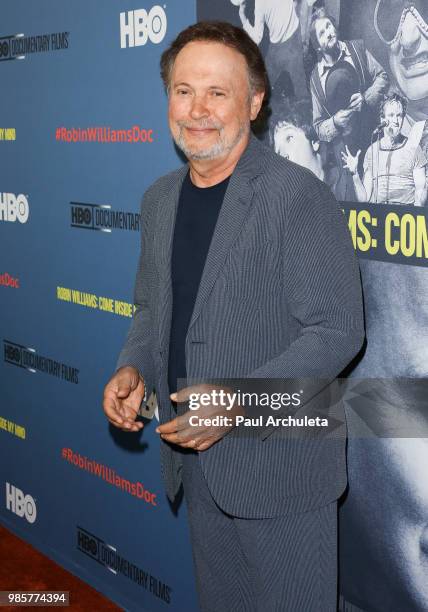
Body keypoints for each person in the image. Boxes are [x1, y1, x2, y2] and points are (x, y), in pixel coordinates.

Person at [102, 21, 364, 612]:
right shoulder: (159, 200)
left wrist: (237, 403)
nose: (197, 110)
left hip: (283, 470)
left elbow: (337, 330)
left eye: (218, 93)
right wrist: (133, 369)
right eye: (183, 90)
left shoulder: (296, 196)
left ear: (254, 101)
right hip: (198, 466)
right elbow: (153, 310)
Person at [309, 7, 388, 199]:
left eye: (329, 26)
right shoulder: (315, 79)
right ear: (318, 46)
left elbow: (383, 77)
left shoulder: (357, 49)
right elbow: (318, 127)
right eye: (322, 33)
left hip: (373, 138)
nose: (328, 33)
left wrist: (366, 98)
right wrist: (335, 122)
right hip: (346, 154)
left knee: (379, 195)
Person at [342, 93, 427, 205]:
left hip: (406, 216)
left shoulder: (413, 148)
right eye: (391, 115)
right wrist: (355, 174)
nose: (396, 121)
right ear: (382, 119)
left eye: (399, 115)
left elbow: (420, 191)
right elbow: (364, 198)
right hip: (380, 215)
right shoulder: (372, 151)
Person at [236, 0, 308, 100]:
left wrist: (243, 17)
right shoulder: (260, 4)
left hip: (286, 43)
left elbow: (257, 38)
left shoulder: (260, 4)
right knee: (299, 87)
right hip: (289, 38)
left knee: (299, 89)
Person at [272, 97, 335, 186]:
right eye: (277, 150)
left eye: (289, 138)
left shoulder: (346, 187)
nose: (282, 155)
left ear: (315, 142)